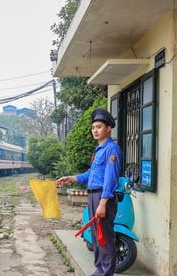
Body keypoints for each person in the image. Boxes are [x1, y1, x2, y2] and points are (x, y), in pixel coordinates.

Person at [57, 108, 122, 276]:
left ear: (108, 128)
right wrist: (71, 178)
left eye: (99, 127)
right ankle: (99, 270)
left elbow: (110, 179)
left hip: (102, 197)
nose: (95, 130)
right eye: (93, 127)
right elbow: (90, 174)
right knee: (96, 237)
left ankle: (105, 272)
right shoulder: (98, 150)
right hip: (94, 195)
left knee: (104, 237)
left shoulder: (111, 149)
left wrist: (102, 203)